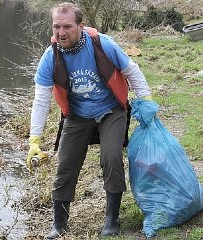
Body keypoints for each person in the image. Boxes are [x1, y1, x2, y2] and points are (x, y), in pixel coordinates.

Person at [26, 2, 152, 239]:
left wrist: (146, 102)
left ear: (81, 26)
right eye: (56, 27)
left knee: (111, 158)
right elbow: (41, 100)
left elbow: (132, 71)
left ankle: (111, 219)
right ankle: (59, 224)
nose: (61, 33)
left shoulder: (102, 44)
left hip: (111, 110)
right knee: (65, 165)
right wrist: (35, 138)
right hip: (76, 115)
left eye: (67, 27)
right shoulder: (49, 57)